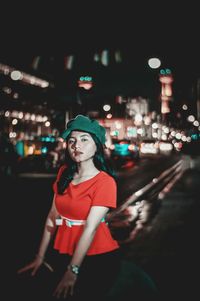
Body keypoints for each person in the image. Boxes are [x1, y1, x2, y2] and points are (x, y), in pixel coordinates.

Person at [17, 115, 121, 301]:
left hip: (96, 257)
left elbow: (91, 228)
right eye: (71, 141)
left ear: (97, 145)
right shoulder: (64, 173)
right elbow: (52, 216)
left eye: (84, 140)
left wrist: (73, 270)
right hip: (63, 250)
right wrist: (40, 257)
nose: (76, 146)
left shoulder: (105, 182)